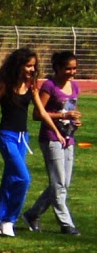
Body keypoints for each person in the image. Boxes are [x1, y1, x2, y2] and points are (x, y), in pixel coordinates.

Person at [0, 48, 64, 237]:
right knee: (24, 178)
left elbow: (42, 112)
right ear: (18, 65)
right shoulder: (4, 86)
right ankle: (9, 220)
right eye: (28, 65)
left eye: (34, 66)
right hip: (7, 137)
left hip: (23, 139)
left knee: (10, 179)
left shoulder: (31, 86)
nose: (32, 69)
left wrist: (57, 132)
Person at [26, 51, 81, 235]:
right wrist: (63, 115)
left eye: (74, 68)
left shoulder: (74, 86)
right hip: (51, 138)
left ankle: (33, 214)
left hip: (68, 138)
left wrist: (75, 121)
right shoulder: (49, 86)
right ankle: (66, 223)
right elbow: (37, 114)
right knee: (58, 183)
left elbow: (71, 110)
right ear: (57, 68)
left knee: (63, 183)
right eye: (68, 68)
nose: (72, 72)